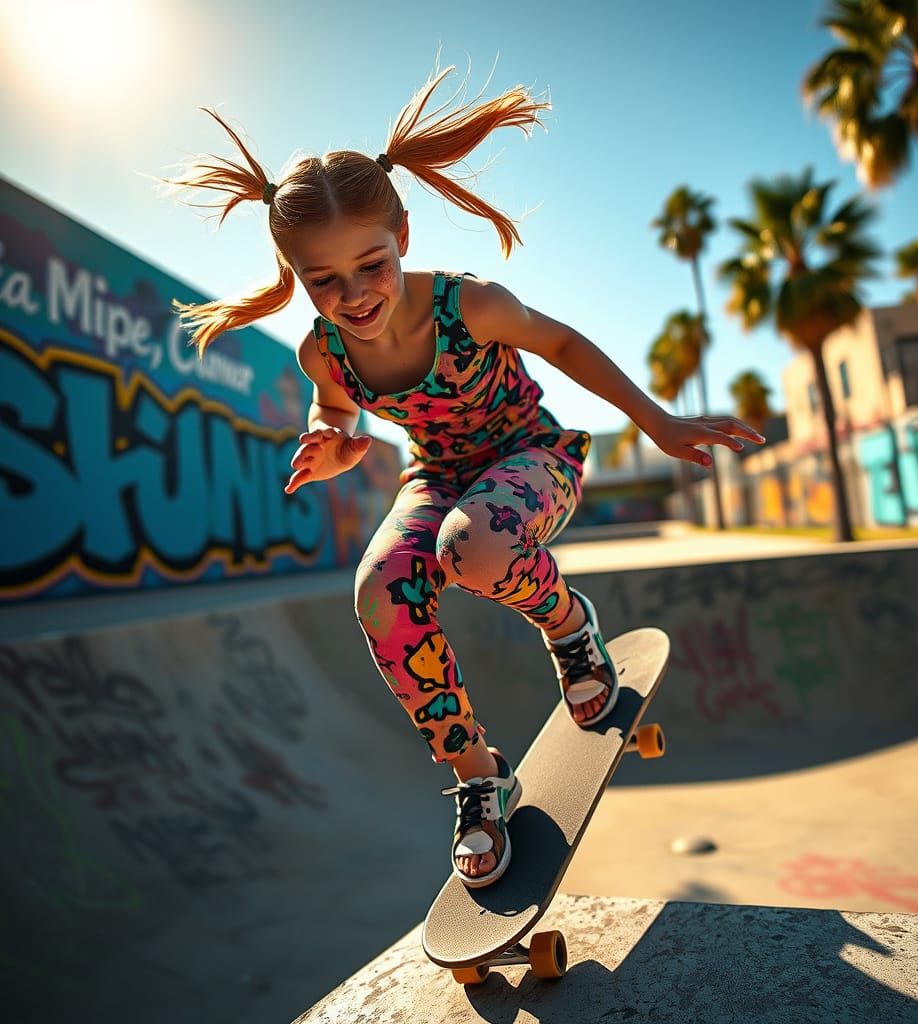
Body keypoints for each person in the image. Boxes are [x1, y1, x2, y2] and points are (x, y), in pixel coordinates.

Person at [166, 65, 765, 889]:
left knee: (471, 548)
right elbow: (332, 410)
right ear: (297, 274)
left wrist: (655, 419)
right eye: (323, 280)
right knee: (379, 589)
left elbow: (562, 344)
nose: (353, 295)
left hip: (531, 458)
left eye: (370, 264)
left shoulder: (468, 303)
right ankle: (480, 775)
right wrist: (332, 438)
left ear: (403, 235)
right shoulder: (324, 349)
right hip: (438, 477)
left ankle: (568, 627)